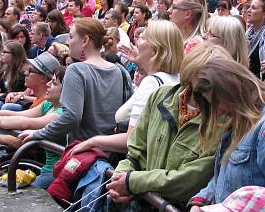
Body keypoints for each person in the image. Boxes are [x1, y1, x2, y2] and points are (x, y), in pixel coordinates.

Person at [106, 44, 228, 212]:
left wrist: (131, 182)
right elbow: (135, 151)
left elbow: (188, 180)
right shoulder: (161, 96)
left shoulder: (222, 121)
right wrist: (121, 177)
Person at [185, 49, 265, 212]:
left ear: (231, 91)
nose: (218, 111)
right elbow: (225, 178)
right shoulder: (239, 120)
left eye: (217, 102)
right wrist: (201, 201)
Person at [70, 20, 183, 157]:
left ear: (155, 48)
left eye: (142, 38)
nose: (136, 42)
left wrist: (92, 142)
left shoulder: (150, 83)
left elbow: (132, 139)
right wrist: (142, 61)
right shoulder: (177, 79)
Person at [20, 18, 133, 145]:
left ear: (85, 40)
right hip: (110, 150)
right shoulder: (120, 70)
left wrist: (38, 133)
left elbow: (71, 117)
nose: (68, 42)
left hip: (82, 151)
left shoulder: (76, 70)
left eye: (71, 37)